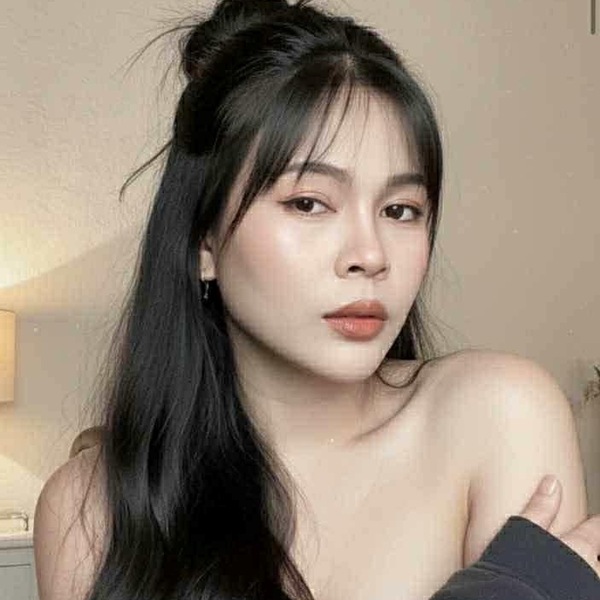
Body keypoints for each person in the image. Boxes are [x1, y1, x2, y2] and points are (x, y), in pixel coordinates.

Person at [32, 1, 600, 599]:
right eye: (308, 203)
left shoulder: (498, 416)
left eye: (400, 210)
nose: (370, 254)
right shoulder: (87, 512)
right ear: (204, 240)